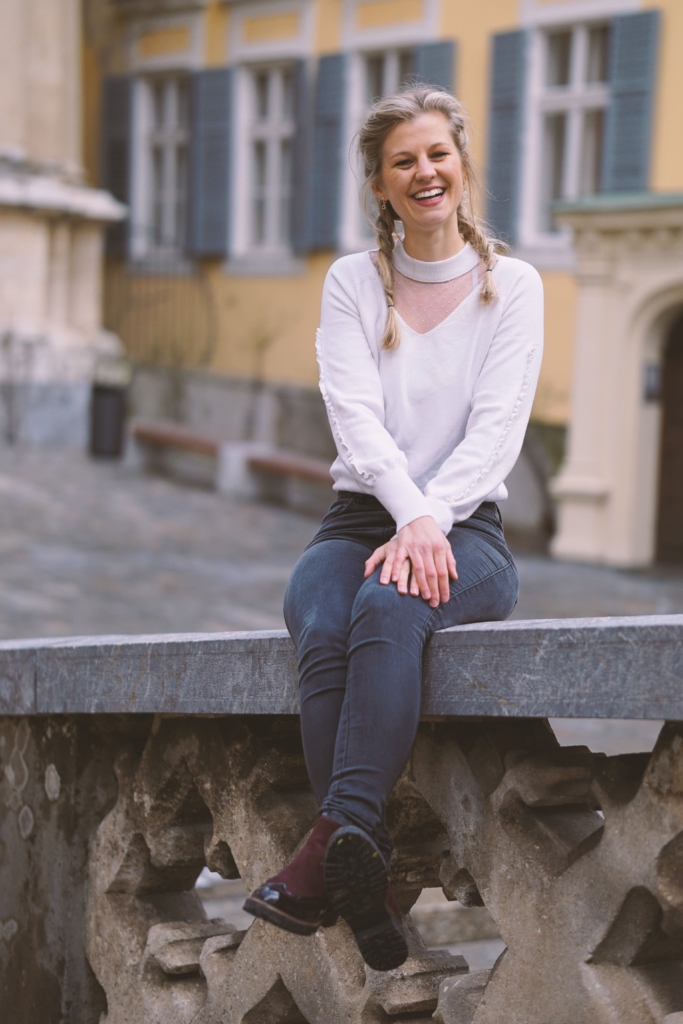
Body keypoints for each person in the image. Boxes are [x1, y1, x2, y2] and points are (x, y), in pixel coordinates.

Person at [244, 86, 543, 972]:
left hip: (470, 527)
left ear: (461, 165)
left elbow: (497, 429)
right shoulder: (352, 280)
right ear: (380, 183)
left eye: (437, 155)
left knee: (390, 602)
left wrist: (432, 519)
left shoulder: (512, 285)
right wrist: (405, 514)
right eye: (403, 161)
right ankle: (357, 882)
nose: (425, 174)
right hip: (359, 516)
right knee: (320, 609)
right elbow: (353, 415)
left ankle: (328, 849)